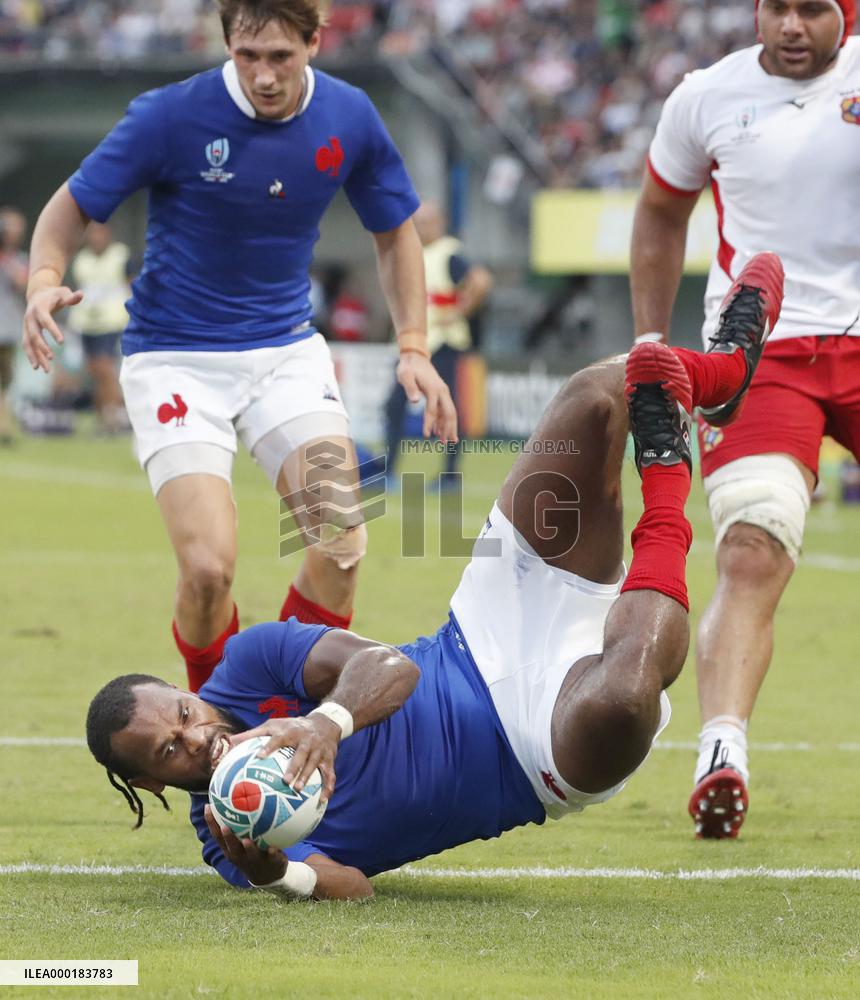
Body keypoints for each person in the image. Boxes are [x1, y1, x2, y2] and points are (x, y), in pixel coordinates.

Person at [85, 256, 783, 900]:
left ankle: (717, 382)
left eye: (182, 713)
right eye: (169, 751)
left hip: (481, 630)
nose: (195, 737)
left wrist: (326, 726)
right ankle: (668, 472)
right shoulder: (229, 837)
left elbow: (392, 670)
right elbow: (351, 885)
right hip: (536, 753)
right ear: (149, 781)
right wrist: (280, 875)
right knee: (629, 693)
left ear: (185, 691)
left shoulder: (244, 665)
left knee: (592, 401)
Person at [22, 0, 456, 693]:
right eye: (246, 56)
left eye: (280, 57)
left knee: (341, 547)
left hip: (285, 353)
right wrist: (44, 280)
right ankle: (217, 711)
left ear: (316, 42)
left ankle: (274, 706)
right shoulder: (169, 116)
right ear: (227, 45)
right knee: (207, 572)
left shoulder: (350, 117)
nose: (262, 76)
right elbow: (70, 207)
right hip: (174, 360)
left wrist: (412, 345)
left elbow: (395, 232)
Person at [630, 0, 860, 839]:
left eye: (813, 10)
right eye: (777, 8)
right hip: (760, 351)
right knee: (752, 542)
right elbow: (661, 211)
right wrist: (652, 341)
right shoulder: (705, 95)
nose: (792, 26)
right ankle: (721, 751)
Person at [384, 200, 492, 489]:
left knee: (447, 406)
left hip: (444, 343)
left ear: (440, 222)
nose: (422, 227)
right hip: (419, 342)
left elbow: (480, 281)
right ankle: (389, 471)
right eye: (418, 222)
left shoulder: (449, 252)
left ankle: (449, 475)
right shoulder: (416, 253)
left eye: (427, 221)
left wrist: (458, 312)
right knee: (394, 405)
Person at [67, 222, 133, 434]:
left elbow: (131, 283)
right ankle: (101, 416)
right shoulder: (82, 259)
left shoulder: (120, 255)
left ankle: (112, 417)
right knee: (95, 371)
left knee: (106, 369)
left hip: (112, 320)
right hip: (86, 322)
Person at [0, 207, 28, 445]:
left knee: (6, 379)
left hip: (7, 327)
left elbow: (22, 284)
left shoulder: (17, 258)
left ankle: (4, 424)